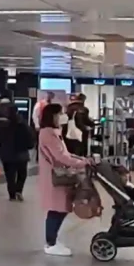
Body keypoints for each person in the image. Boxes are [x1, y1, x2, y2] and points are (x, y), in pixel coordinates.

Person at [37, 102, 91, 256]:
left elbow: (64, 154)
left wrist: (80, 159)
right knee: (56, 209)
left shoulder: (53, 132)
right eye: (60, 113)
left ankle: (52, 240)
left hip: (58, 175)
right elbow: (60, 157)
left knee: (60, 208)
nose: (63, 116)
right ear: (52, 116)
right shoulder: (48, 134)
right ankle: (51, 243)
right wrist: (81, 163)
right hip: (55, 176)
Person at [0, 95, 31, 203]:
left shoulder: (0, 123)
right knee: (22, 174)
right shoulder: (21, 123)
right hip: (21, 153)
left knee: (10, 175)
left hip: (6, 153)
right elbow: (29, 136)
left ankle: (12, 194)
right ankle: (19, 190)